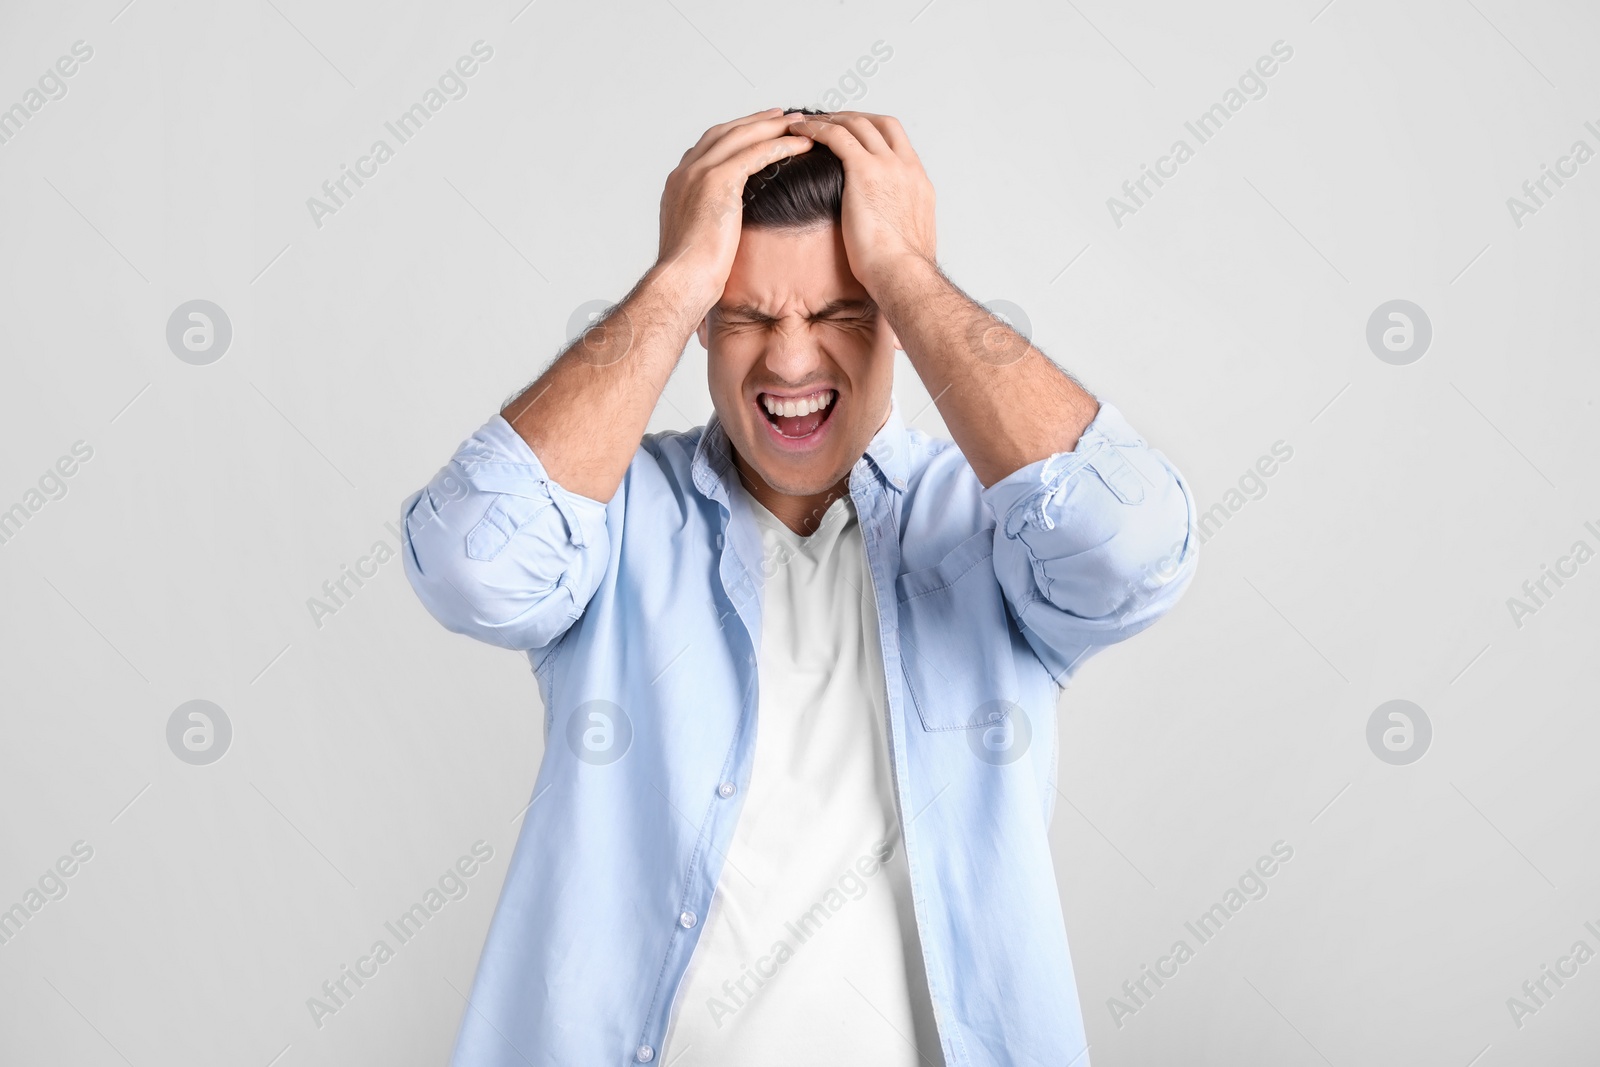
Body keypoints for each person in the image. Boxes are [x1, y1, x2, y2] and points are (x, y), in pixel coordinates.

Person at [400, 106, 1198, 1067]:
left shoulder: (989, 528)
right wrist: (678, 278)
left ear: (897, 325)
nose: (787, 359)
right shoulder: (614, 518)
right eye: (743, 317)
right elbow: (466, 564)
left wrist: (905, 272)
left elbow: (1135, 546)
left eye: (837, 314)